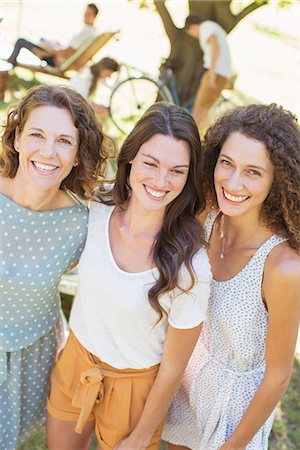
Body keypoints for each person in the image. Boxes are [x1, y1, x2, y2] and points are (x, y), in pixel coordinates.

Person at [46, 101, 212, 450]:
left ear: (189, 176)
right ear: (131, 158)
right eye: (150, 163)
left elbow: (173, 369)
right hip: (76, 360)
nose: (160, 181)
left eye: (177, 171)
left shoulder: (190, 264)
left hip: (136, 389)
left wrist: (139, 436)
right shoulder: (94, 212)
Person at [162, 103, 300, 450]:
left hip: (234, 413)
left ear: (277, 179)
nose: (233, 182)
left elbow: (278, 376)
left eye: (253, 172)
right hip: (184, 385)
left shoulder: (282, 267)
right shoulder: (207, 216)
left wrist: (231, 446)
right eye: (227, 163)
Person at [0, 84, 109, 449]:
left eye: (64, 141)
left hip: (30, 354)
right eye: (37, 135)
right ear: (16, 139)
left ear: (78, 155)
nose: (48, 152)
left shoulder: (81, 224)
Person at [6, 3, 99, 68]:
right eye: (85, 13)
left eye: (88, 14)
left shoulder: (86, 33)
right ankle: (10, 62)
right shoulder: (92, 31)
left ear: (94, 17)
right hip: (58, 54)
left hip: (55, 60)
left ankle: (9, 64)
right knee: (43, 39)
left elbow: (66, 53)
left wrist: (47, 52)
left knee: (21, 41)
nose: (84, 16)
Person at [184, 14, 232, 136]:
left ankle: (192, 140)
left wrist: (212, 73)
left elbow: (215, 46)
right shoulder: (212, 26)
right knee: (204, 112)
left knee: (199, 111)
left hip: (216, 73)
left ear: (191, 27)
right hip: (221, 73)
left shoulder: (205, 27)